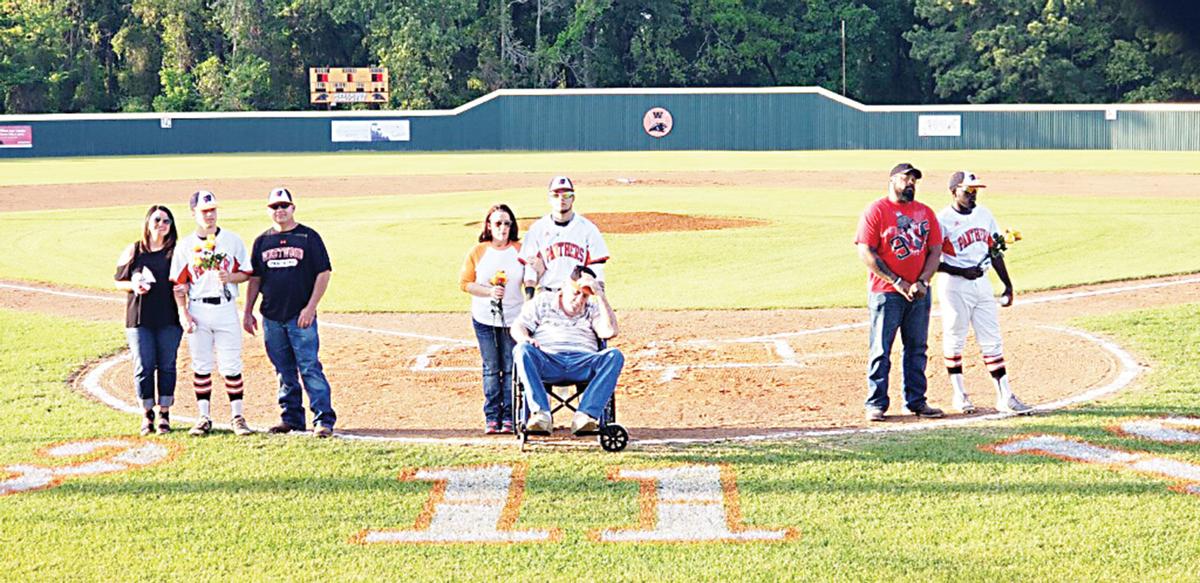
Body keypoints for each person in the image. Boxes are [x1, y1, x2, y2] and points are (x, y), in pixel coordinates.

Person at [243, 188, 338, 438]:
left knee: (309, 367)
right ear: (268, 210)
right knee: (283, 370)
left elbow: (323, 273)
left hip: (300, 316)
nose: (280, 210)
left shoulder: (308, 237)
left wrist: (310, 308)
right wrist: (248, 311)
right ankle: (291, 418)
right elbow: (255, 278)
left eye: (284, 205)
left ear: (293, 208)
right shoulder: (262, 241)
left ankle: (323, 419)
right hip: (272, 317)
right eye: (274, 207)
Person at [936, 171, 1032, 415]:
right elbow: (931, 261)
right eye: (967, 190)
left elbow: (995, 250)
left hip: (982, 284)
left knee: (992, 339)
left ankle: (1005, 396)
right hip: (954, 286)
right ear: (953, 191)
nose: (972, 195)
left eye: (975, 190)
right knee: (955, 338)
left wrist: (1007, 284)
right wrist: (960, 269)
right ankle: (959, 395)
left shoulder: (985, 214)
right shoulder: (942, 220)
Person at [855, 163, 944, 422]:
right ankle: (876, 403)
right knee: (881, 349)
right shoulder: (876, 210)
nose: (911, 183)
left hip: (919, 293)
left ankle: (916, 401)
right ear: (892, 180)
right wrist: (896, 281)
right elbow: (866, 251)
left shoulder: (925, 212)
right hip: (886, 292)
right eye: (906, 178)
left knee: (917, 348)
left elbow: (935, 250)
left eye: (914, 180)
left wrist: (923, 281)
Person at [171, 190, 254, 437]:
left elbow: (247, 272)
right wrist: (183, 312)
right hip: (198, 308)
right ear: (194, 213)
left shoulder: (232, 240)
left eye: (213, 210)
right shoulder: (185, 246)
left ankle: (237, 417)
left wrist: (231, 277)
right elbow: (178, 284)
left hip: (226, 308)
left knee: (231, 364)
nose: (210, 215)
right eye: (204, 211)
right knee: (201, 364)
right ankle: (204, 417)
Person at [511, 266, 623, 435]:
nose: (579, 300)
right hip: (549, 360)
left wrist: (600, 295)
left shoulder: (592, 309)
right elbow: (518, 327)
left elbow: (609, 332)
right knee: (522, 349)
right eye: (576, 293)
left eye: (585, 295)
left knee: (614, 355)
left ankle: (585, 416)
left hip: (583, 362)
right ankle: (541, 414)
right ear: (564, 288)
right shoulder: (543, 302)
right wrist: (525, 338)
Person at [114, 205, 183, 435]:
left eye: (166, 221)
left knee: (166, 365)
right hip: (140, 318)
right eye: (157, 220)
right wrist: (133, 285)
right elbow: (118, 281)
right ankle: (147, 414)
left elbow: (187, 280)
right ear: (147, 222)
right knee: (143, 365)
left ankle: (164, 413)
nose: (161, 225)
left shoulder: (176, 251)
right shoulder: (134, 250)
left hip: (169, 317)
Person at [460, 204, 524, 434]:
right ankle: (492, 416)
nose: (503, 228)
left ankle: (509, 416)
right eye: (498, 223)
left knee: (509, 367)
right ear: (488, 225)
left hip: (513, 319)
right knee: (491, 367)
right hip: (485, 319)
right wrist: (489, 292)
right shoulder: (478, 251)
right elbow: (465, 283)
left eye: (507, 223)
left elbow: (533, 277)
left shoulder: (520, 250)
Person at [520, 176, 610, 295]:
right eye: (556, 195)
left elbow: (597, 266)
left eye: (566, 195)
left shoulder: (588, 228)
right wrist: (529, 298)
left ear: (573, 198)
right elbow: (530, 268)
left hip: (577, 296)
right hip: (547, 294)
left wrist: (599, 295)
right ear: (549, 199)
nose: (561, 199)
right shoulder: (537, 229)